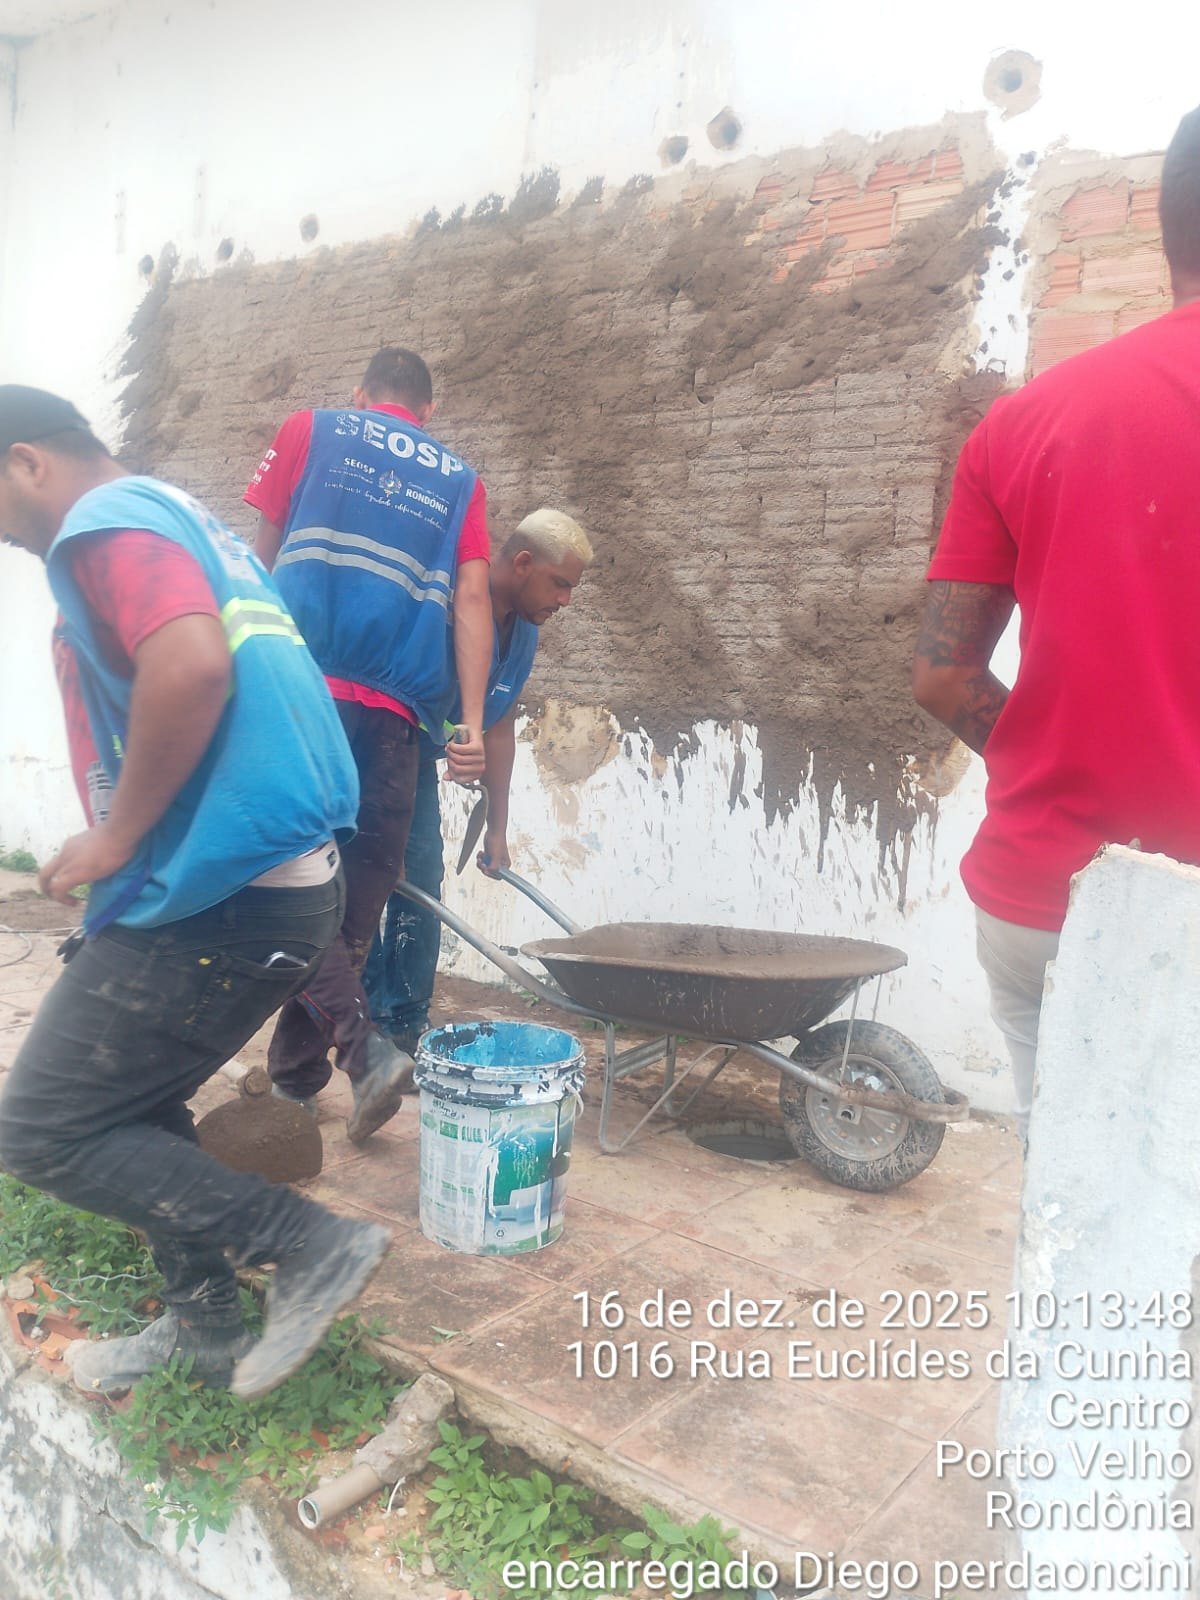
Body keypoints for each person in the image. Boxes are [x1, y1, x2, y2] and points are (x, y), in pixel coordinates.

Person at [0, 386, 389, 1402]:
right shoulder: (180, 516)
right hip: (260, 879)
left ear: (27, 462)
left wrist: (116, 834)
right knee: (128, 1099)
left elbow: (192, 666)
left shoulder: (101, 522)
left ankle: (306, 1245)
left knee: (41, 1127)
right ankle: (206, 1326)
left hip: (230, 892)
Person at [911, 104, 1200, 1144]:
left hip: (1046, 895)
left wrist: (1045, 749)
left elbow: (942, 677)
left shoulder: (1023, 423)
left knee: (1073, 1204)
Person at [245, 348, 493, 1139]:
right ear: (428, 411)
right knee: (353, 907)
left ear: (362, 396)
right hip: (395, 717)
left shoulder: (310, 428)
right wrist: (469, 724)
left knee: (282, 889)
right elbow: (473, 600)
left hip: (298, 691)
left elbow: (260, 554)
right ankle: (324, 1071)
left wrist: (236, 665)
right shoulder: (460, 481)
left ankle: (328, 1068)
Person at [362, 509, 594, 1058]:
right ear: (522, 563)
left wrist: (497, 826)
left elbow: (501, 725)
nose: (565, 600)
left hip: (417, 765)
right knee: (367, 881)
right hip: (374, 750)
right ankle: (358, 1020)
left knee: (422, 882)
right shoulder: (444, 608)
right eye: (559, 584)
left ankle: (405, 1023)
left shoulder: (525, 633)